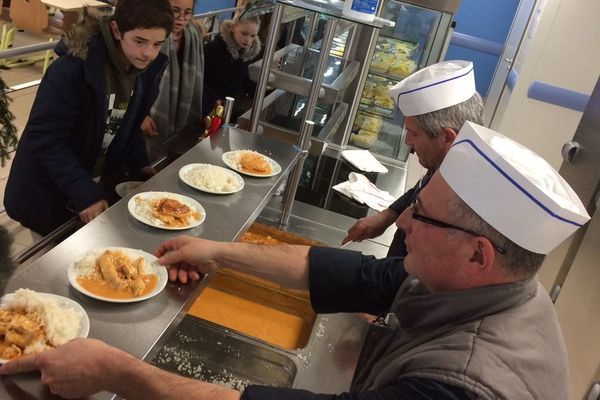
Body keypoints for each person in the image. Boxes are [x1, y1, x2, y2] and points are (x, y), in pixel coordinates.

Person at [0, 122, 589, 399]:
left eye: (421, 216)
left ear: (478, 253)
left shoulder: (463, 386)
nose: (402, 223)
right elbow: (357, 275)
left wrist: (116, 372)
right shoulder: (480, 284)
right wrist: (218, 254)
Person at [3, 0, 174, 236]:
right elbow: (46, 139)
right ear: (116, 30)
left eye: (157, 44)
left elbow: (127, 124)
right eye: (140, 41)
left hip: (92, 183)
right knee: (52, 261)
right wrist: (84, 193)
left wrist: (141, 166)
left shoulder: (140, 70)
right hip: (47, 191)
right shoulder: (73, 69)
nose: (149, 53)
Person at [343, 60, 484, 257]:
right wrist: (387, 215)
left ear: (448, 138)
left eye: (414, 134)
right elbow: (421, 186)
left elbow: (404, 274)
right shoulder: (452, 160)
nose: (408, 142)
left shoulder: (458, 204)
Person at [142, 0, 205, 163]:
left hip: (181, 116)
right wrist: (141, 115)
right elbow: (137, 80)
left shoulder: (193, 35)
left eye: (187, 12)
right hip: (148, 114)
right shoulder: (150, 34)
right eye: (175, 11)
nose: (181, 18)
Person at [202, 12, 261, 121]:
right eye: (244, 33)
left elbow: (243, 80)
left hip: (227, 108)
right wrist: (216, 101)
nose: (248, 40)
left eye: (253, 36)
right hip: (207, 109)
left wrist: (262, 90)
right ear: (233, 28)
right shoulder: (213, 49)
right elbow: (199, 81)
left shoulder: (243, 53)